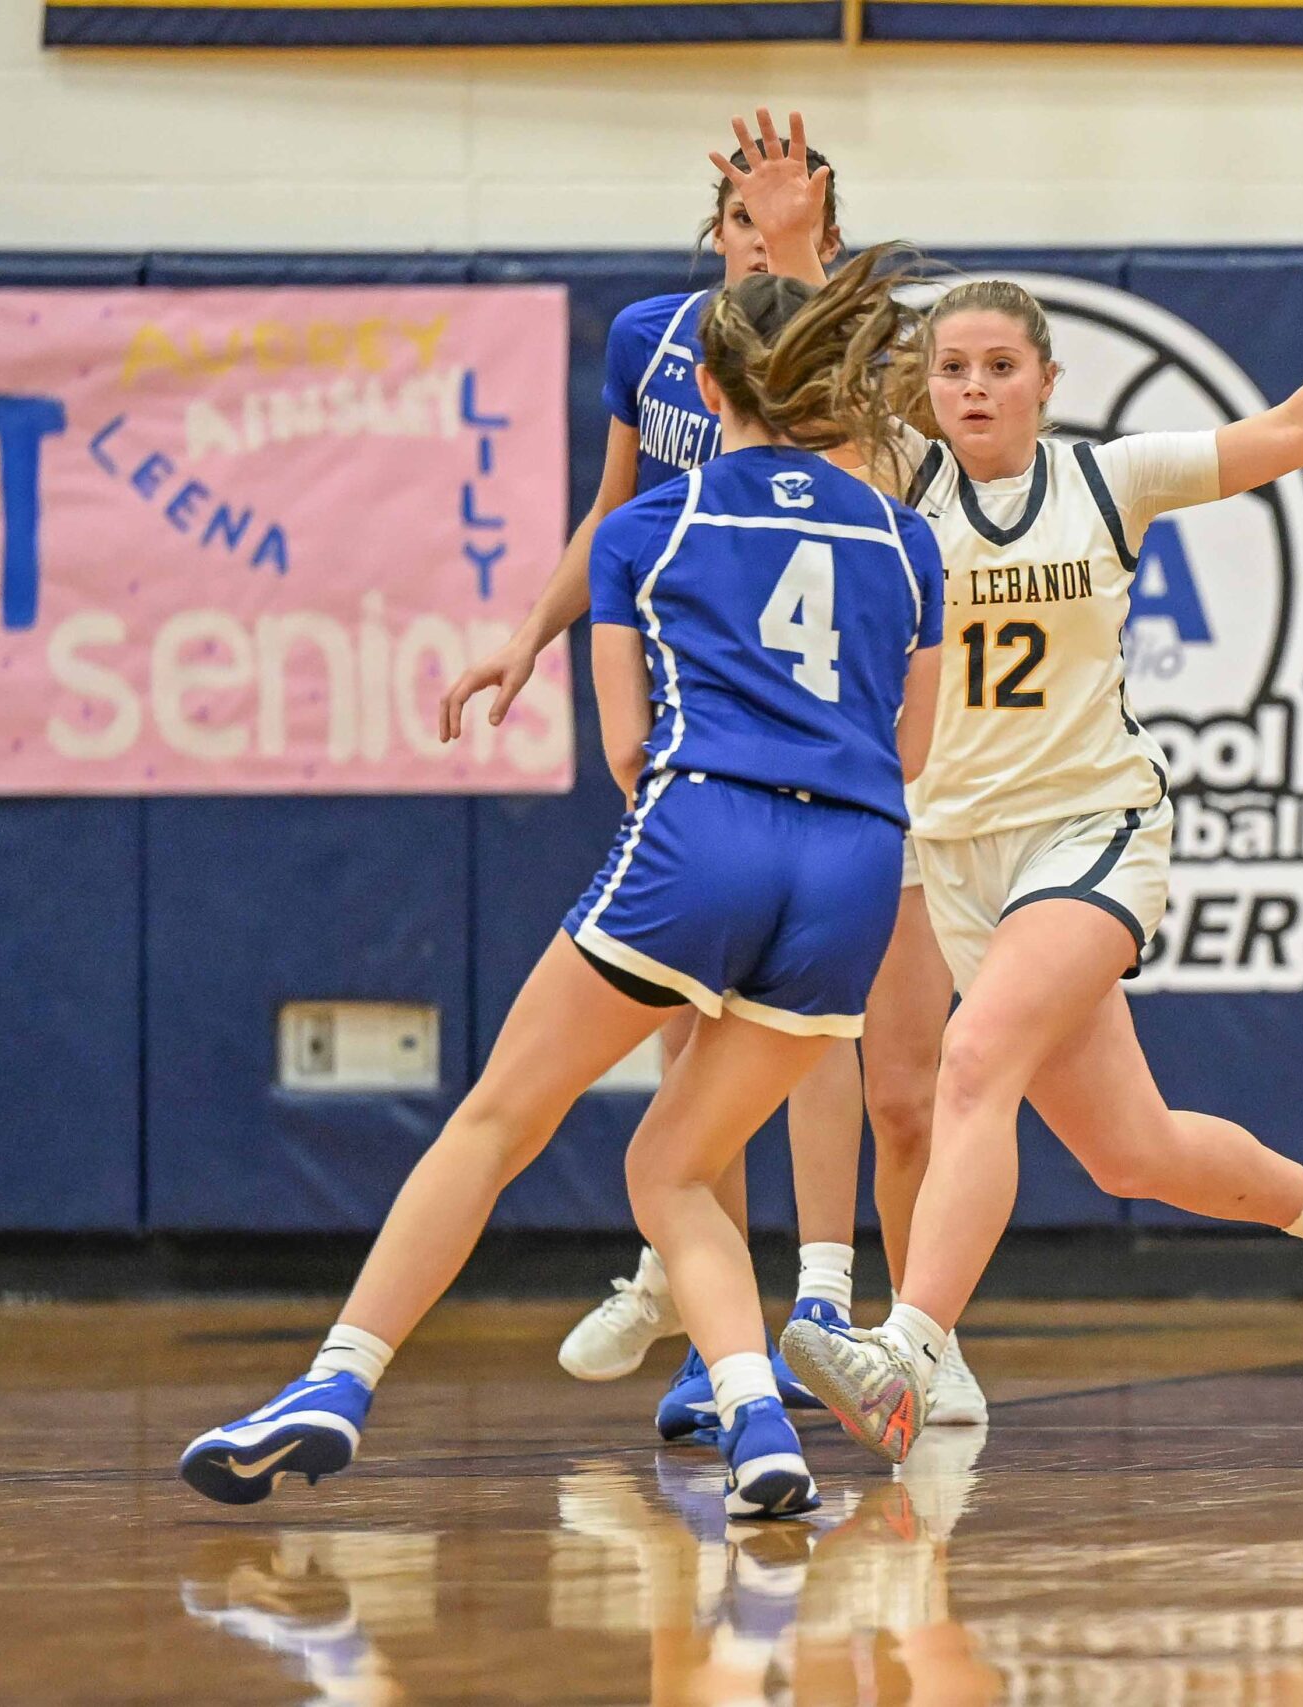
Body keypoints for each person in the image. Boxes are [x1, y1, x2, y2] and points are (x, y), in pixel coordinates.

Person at [182, 257, 945, 1523]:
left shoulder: (650, 525)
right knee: (675, 1167)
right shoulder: (907, 539)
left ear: (707, 389)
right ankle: (759, 1423)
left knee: (498, 1120)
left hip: (706, 831)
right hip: (855, 865)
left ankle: (335, 1383)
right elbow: (910, 750)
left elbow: (630, 750)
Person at [780, 231, 1303, 1464]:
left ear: (1045, 380)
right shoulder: (899, 478)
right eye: (952, 367)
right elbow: (804, 379)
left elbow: (1291, 433)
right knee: (1134, 1150)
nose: (973, 387)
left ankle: (908, 1351)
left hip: (1094, 830)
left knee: (973, 1061)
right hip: (959, 853)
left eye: (999, 366)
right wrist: (797, 254)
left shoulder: (1107, 479)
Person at [439, 114, 982, 1435]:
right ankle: (701, 1317)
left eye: (783, 221)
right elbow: (612, 515)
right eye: (739, 219)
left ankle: (822, 1301)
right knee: (692, 1028)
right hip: (699, 706)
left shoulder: (858, 356)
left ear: (821, 235)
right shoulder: (651, 340)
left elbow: (862, 464)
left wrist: (802, 251)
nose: (757, 239)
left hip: (828, 717)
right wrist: (530, 635)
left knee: (821, 1036)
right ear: (712, 232)